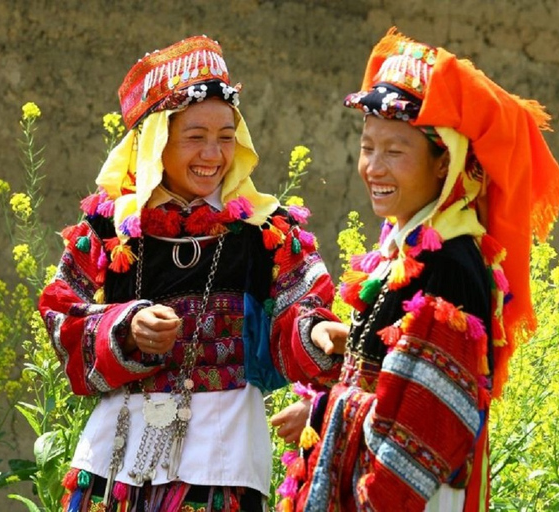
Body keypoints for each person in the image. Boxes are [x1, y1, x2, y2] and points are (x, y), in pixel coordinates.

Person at [39, 35, 340, 511]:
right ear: (157, 140)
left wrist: (318, 334)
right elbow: (60, 316)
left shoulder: (266, 229)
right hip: (117, 465)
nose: (213, 155)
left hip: (224, 464)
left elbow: (302, 311)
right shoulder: (108, 227)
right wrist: (125, 327)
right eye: (195, 137)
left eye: (226, 137)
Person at [275, 28, 559, 511]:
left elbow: (419, 433)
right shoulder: (407, 251)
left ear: (443, 165)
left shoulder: (449, 264)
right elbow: (393, 382)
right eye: (368, 148)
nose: (374, 167)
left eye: (395, 151)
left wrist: (325, 413)